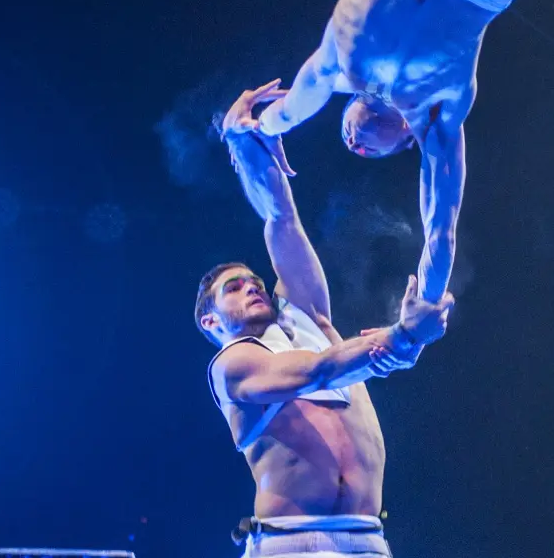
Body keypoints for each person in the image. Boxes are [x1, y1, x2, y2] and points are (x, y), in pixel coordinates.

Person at [195, 82, 456, 557]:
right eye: (232, 289)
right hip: (293, 544)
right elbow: (318, 371)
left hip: (367, 542)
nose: (251, 285)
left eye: (253, 279)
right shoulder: (233, 366)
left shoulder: (307, 319)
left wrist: (245, 143)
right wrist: (399, 341)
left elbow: (281, 219)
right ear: (212, 324)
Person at [241, 0, 554, 306]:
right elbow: (439, 231)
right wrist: (425, 304)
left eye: (345, 138)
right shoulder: (436, 115)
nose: (352, 142)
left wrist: (256, 127)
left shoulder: (339, 61)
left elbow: (290, 109)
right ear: (408, 138)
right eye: (368, 151)